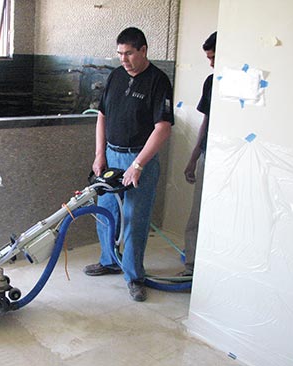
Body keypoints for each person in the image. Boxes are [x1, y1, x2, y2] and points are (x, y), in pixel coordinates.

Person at [83, 27, 174, 302]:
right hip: (111, 156)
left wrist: (137, 164)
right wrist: (100, 155)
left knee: (134, 219)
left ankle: (134, 276)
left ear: (143, 50)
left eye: (129, 53)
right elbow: (102, 116)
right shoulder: (115, 76)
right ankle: (109, 260)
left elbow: (163, 127)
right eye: (120, 53)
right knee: (105, 212)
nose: (123, 59)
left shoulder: (158, 81)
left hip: (138, 160)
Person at [178, 31, 217, 277]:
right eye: (208, 58)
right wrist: (193, 158)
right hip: (208, 154)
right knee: (198, 212)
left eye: (215, 57)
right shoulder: (211, 82)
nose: (211, 63)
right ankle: (191, 266)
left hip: (233, 161)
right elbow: (206, 121)